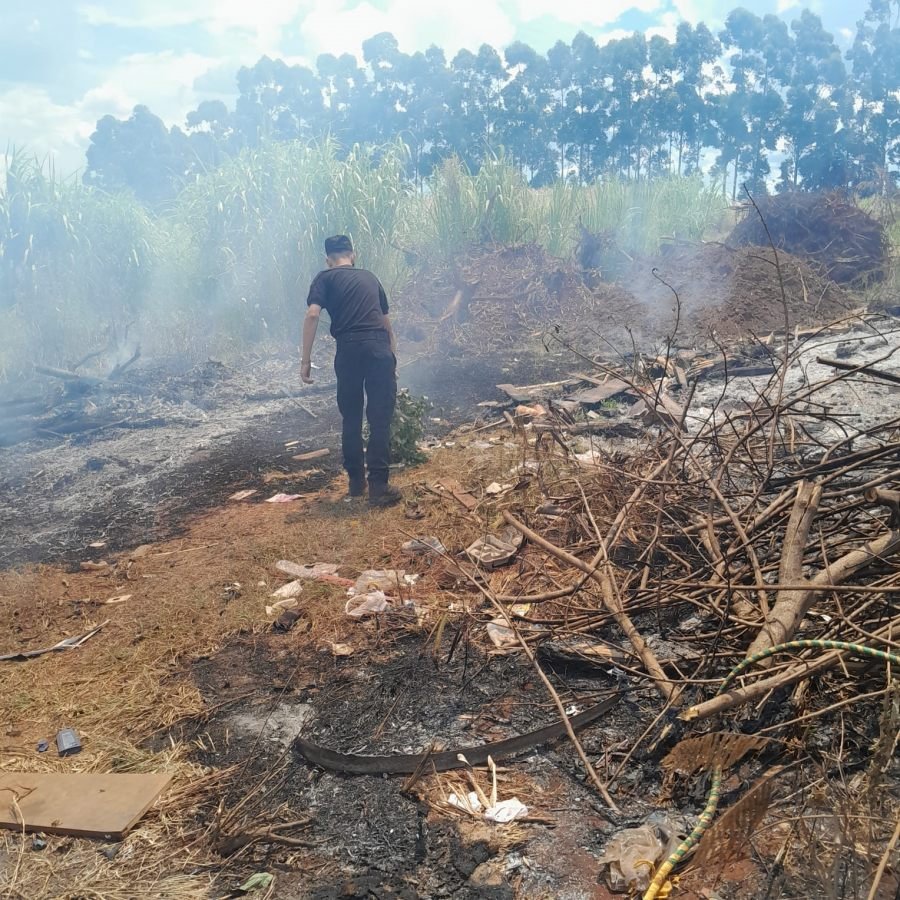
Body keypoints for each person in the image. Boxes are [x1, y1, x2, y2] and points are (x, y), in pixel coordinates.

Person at [300, 235, 402, 507]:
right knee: (380, 418)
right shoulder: (370, 277)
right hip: (379, 348)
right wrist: (392, 356)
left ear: (328, 259)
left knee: (352, 417)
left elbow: (312, 315)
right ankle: (379, 487)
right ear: (353, 255)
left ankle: (356, 483)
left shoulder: (324, 278)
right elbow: (385, 321)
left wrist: (305, 360)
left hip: (349, 351)